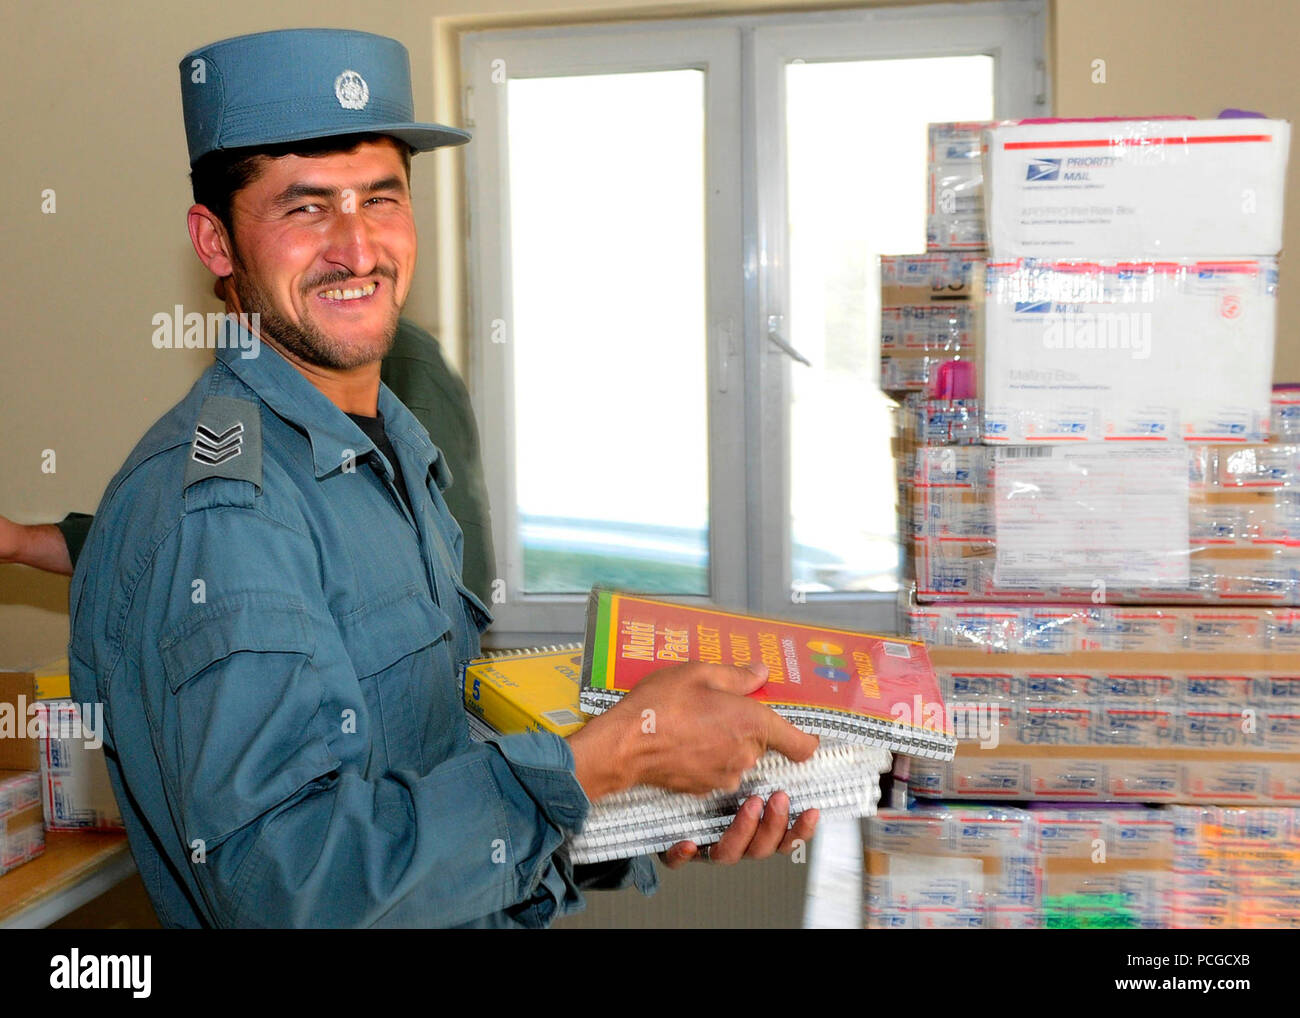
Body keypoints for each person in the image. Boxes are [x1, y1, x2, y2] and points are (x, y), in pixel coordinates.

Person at [66, 27, 819, 929]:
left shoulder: (391, 450)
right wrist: (605, 759)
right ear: (216, 242)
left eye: (380, 198)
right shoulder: (227, 511)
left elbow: (424, 786)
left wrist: (646, 805)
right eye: (305, 208)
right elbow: (291, 890)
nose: (357, 248)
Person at [0, 315, 497, 605]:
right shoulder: (247, 379)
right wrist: (22, 542)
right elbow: (182, 535)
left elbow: (457, 564)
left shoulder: (397, 361)